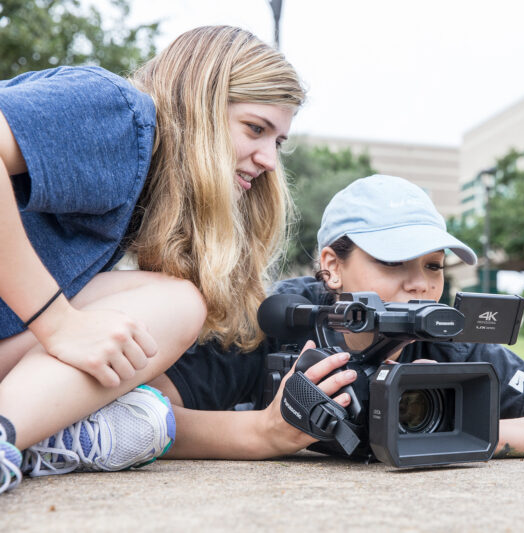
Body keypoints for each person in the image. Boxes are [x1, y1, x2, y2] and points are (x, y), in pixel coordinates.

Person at [0, 26, 305, 493]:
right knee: (176, 304)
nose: (268, 159)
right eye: (255, 128)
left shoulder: (145, 194)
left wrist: (265, 430)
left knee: (166, 334)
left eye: (278, 142)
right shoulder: (118, 114)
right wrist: (57, 322)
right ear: (202, 104)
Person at [152, 174, 524, 460]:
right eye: (393, 262)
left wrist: (463, 430)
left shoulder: (446, 338)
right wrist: (265, 431)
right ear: (331, 265)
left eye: (433, 265)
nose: (421, 285)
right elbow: (142, 415)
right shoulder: (275, 321)